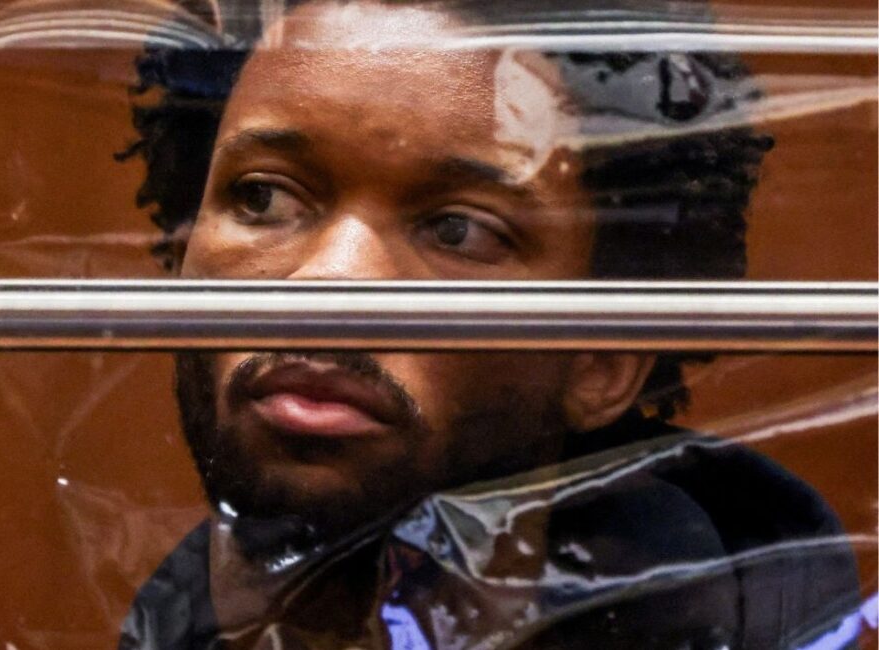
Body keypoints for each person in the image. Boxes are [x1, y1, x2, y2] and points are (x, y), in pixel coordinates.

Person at [115, 0, 860, 647]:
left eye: (458, 231)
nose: (329, 285)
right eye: (263, 199)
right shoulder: (162, 619)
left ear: (605, 360)